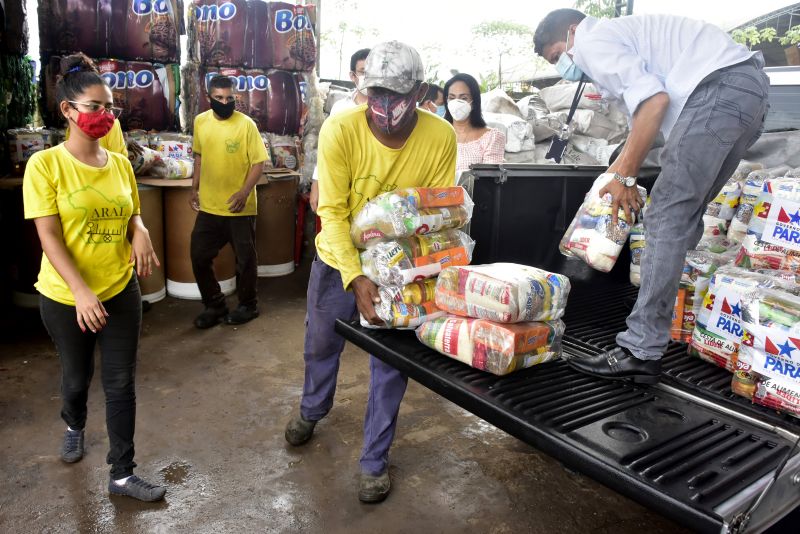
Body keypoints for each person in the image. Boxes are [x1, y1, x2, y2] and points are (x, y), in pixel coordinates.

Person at [533, 9, 768, 383]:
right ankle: (657, 314)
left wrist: (624, 175)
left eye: (557, 55)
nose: (565, 66)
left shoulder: (592, 41)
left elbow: (654, 103)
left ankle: (641, 348)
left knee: (666, 218)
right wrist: (619, 167)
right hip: (748, 91)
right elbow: (648, 119)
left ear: (572, 32)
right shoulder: (629, 39)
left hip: (719, 89)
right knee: (683, 216)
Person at [284, 41, 457, 504]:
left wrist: (406, 275)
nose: (382, 106)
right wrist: (356, 277)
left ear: (420, 91)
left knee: (391, 364)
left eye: (395, 94)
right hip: (338, 255)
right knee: (321, 342)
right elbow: (333, 214)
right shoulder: (341, 129)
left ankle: (374, 460)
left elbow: (434, 215)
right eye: (374, 93)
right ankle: (311, 408)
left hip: (403, 265)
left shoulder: (440, 137)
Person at [22, 53, 165, 502]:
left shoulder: (120, 164)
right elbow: (49, 236)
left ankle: (122, 473)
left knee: (121, 381)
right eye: (95, 107)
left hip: (120, 288)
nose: (104, 116)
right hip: (67, 296)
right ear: (68, 110)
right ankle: (74, 423)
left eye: (110, 108)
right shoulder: (44, 165)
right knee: (76, 377)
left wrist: (140, 231)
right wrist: (81, 294)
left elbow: (131, 213)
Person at [189, 75, 269, 329]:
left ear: (236, 97)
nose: (225, 102)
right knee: (199, 255)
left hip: (240, 208)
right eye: (219, 98)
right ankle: (214, 304)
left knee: (245, 259)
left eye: (229, 98)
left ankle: (248, 305)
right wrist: (194, 188)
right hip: (210, 206)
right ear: (209, 98)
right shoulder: (200, 122)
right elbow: (199, 157)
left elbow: (258, 162)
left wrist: (244, 192)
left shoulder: (246, 125)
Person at [310, 48, 371, 213]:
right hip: (341, 182)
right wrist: (317, 182)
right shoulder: (341, 108)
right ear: (353, 76)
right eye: (363, 72)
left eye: (373, 72)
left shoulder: (387, 110)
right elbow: (326, 149)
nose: (369, 77)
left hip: (373, 183)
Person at [443, 74, 505, 171]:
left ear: (474, 101)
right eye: (452, 97)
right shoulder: (437, 134)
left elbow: (490, 179)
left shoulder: (491, 138)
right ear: (446, 100)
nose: (456, 103)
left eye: (463, 98)